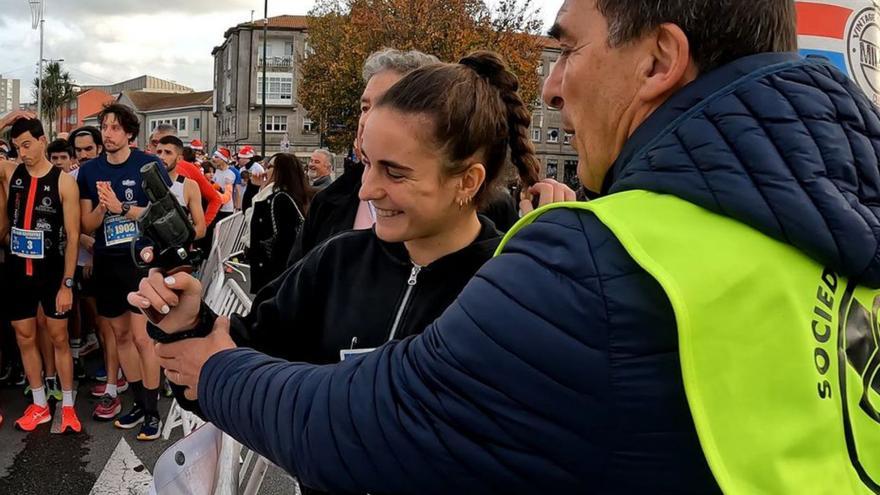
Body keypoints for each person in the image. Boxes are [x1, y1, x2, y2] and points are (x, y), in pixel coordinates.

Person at [142, 1, 880, 492]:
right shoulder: (835, 228)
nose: (553, 86)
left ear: (658, 60)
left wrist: (217, 370)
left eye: (566, 48)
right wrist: (198, 334)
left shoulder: (594, 265)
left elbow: (370, 419)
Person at [288, 48, 439, 266]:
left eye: (386, 107)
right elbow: (287, 288)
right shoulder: (329, 202)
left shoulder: (474, 222)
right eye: (365, 107)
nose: (366, 120)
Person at [77, 103, 171, 440]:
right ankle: (138, 402)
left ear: (130, 133)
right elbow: (85, 223)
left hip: (141, 261)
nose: (108, 133)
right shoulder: (89, 172)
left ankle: (152, 410)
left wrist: (123, 208)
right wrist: (103, 208)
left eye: (116, 127)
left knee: (143, 337)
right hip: (107, 262)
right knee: (120, 337)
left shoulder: (148, 164)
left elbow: (163, 213)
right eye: (105, 126)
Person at [0, 117, 81, 433]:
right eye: (17, 146)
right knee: (24, 337)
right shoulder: (11, 171)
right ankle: (38, 404)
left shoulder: (64, 182)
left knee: (59, 338)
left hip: (51, 272)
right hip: (18, 271)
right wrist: (7, 121)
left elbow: (73, 236)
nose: (22, 152)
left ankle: (69, 406)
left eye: (27, 144)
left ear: (43, 140)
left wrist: (68, 284)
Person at [71, 125, 128, 414]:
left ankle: (116, 378)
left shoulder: (107, 173)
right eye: (78, 151)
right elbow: (76, 224)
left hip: (105, 259)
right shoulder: (72, 178)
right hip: (78, 262)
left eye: (88, 149)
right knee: (98, 321)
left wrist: (92, 248)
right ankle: (112, 372)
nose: (82, 155)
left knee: (113, 326)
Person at [245, 153, 314, 294]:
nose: (265, 171)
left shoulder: (279, 198)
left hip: (275, 275)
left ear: (280, 171)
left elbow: (253, 221)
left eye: (269, 166)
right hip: (289, 274)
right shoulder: (298, 194)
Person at [155, 135, 206, 239]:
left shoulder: (189, 186)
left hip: (175, 249)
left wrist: (180, 241)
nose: (161, 157)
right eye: (159, 152)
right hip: (146, 250)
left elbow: (201, 229)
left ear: (179, 159)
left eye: (168, 152)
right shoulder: (144, 182)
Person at [236, 146, 265, 211]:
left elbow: (263, 183)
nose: (238, 160)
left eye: (239, 158)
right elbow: (241, 184)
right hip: (244, 199)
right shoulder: (242, 169)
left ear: (246, 159)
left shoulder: (258, 168)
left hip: (255, 199)